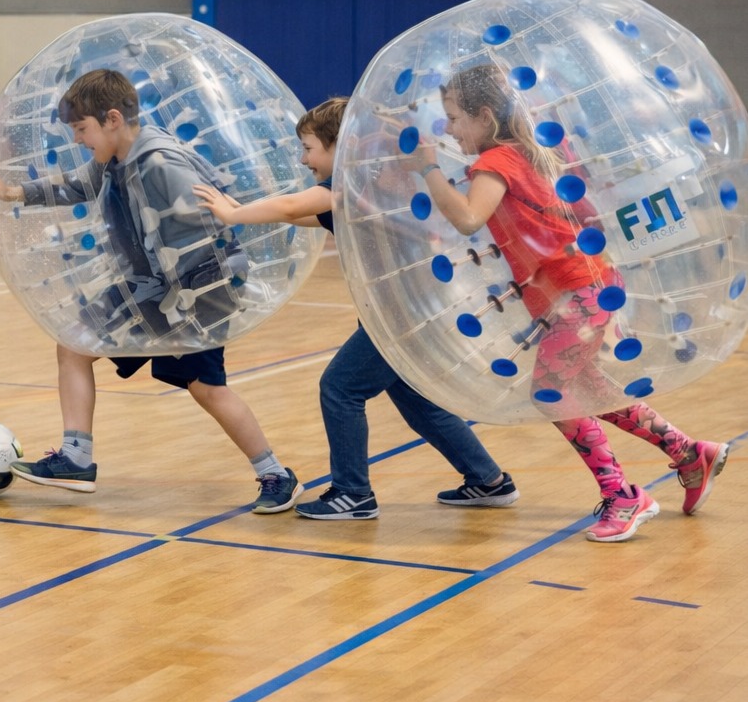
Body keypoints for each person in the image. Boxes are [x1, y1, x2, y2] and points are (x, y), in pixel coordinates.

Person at [403, 63, 729, 541]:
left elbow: (470, 218)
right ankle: (688, 453)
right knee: (591, 389)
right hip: (582, 288)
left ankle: (623, 495)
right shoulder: (527, 152)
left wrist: (428, 167)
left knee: (549, 394)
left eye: (454, 118)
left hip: (576, 291)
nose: (449, 129)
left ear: (485, 116)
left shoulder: (496, 162)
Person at [0, 69, 301, 511]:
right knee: (78, 346)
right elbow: (80, 184)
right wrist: (12, 191)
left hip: (194, 290)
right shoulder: (120, 156)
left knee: (205, 388)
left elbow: (215, 225)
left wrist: (184, 299)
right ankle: (77, 457)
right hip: (160, 288)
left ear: (112, 119)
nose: (77, 140)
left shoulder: (159, 165)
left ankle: (274, 473)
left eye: (81, 129)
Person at [194, 97, 518, 520]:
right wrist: (251, 209)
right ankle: (488, 480)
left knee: (341, 388)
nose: (302, 157)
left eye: (309, 148)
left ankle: (353, 493)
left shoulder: (350, 185)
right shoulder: (365, 190)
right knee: (415, 396)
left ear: (337, 146)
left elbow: (295, 206)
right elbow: (302, 215)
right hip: (417, 307)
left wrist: (233, 214)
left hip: (403, 312)